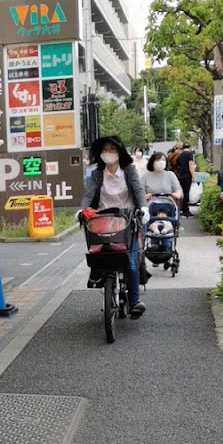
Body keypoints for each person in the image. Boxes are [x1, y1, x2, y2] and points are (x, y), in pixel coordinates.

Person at [80, 135, 148, 317]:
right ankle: (104, 281)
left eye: (112, 149)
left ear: (119, 152)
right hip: (103, 219)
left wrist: (143, 207)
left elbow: (138, 190)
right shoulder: (96, 174)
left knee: (131, 262)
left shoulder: (129, 170)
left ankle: (134, 301)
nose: (108, 153)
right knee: (103, 256)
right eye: (105, 150)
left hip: (128, 219)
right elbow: (88, 194)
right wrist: (81, 210)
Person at [174, 141, 197, 217]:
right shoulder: (190, 154)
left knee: (182, 193)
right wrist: (193, 175)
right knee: (186, 193)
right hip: (187, 176)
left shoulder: (180, 155)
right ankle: (186, 210)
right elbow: (191, 165)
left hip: (180, 176)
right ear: (190, 148)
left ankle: (181, 209)